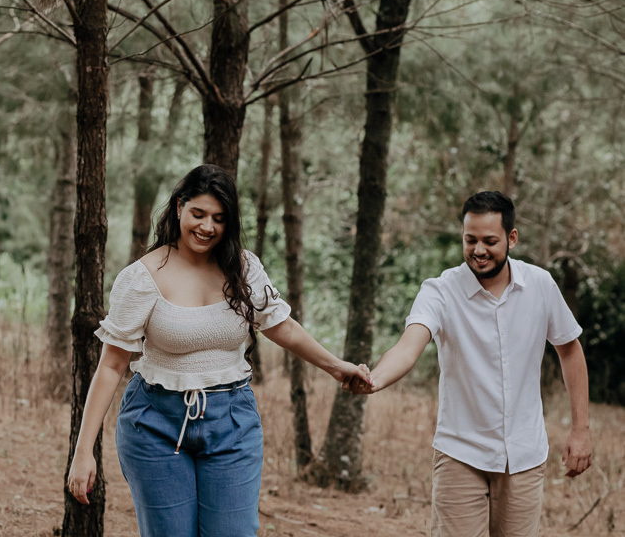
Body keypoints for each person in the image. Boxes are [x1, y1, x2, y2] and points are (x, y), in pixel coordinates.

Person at [66, 164, 371, 537]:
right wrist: (84, 451)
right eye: (198, 214)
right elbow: (112, 366)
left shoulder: (243, 268)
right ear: (179, 207)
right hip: (155, 424)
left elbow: (281, 326)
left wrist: (337, 367)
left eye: (219, 218)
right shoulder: (142, 278)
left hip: (232, 422)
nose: (207, 227)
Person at [344, 191, 591, 537]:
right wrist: (376, 379)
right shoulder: (441, 291)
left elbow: (569, 349)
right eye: (470, 239)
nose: (478, 250)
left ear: (512, 238)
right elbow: (409, 345)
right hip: (461, 454)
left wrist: (580, 430)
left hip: (524, 456)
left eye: (490, 241)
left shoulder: (540, 285)